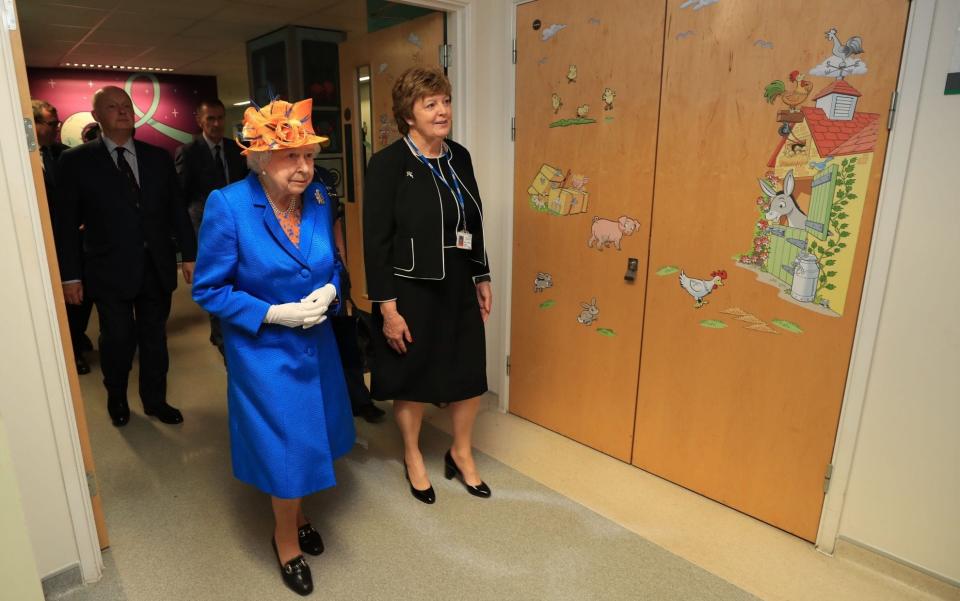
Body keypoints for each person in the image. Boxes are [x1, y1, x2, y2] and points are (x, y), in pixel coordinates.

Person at [191, 98, 355, 597]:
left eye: (308, 155)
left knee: (310, 435)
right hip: (263, 352)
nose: (304, 167)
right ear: (261, 159)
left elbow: (331, 266)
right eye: (291, 157)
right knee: (285, 445)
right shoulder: (229, 205)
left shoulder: (320, 199)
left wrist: (332, 289)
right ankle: (286, 539)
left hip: (315, 344)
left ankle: (299, 512)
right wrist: (269, 312)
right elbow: (209, 289)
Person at [363, 66, 493, 505]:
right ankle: (413, 455)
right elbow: (375, 242)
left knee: (469, 370)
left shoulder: (460, 157)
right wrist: (387, 308)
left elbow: (472, 222)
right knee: (412, 375)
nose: (442, 111)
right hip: (411, 288)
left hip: (458, 282)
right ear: (408, 114)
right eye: (430, 104)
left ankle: (460, 452)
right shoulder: (387, 165)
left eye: (445, 102)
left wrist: (481, 273)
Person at [54, 86, 196, 427]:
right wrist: (70, 276)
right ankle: (116, 397)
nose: (121, 111)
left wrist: (189, 255)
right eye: (112, 106)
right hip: (107, 269)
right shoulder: (75, 162)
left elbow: (177, 210)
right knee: (117, 339)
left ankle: (155, 400)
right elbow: (65, 224)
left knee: (154, 339)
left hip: (156, 266)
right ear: (97, 117)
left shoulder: (156, 157)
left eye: (126, 105)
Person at [175, 98, 248, 355]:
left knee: (238, 278)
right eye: (210, 119)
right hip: (205, 229)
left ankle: (224, 329)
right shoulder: (189, 151)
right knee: (217, 281)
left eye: (220, 118)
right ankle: (221, 337)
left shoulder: (235, 149)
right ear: (199, 121)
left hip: (239, 226)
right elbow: (181, 197)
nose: (216, 124)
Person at [315, 166, 385, 424]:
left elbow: (335, 224)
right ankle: (326, 408)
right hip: (303, 278)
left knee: (347, 340)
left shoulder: (323, 176)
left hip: (333, 270)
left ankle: (360, 400)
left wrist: (344, 268)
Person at [33, 99, 93, 375]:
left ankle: (76, 339)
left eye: (57, 123)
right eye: (51, 123)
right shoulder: (18, 160)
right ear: (32, 124)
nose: (56, 129)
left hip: (73, 242)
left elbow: (81, 194)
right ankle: (68, 349)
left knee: (81, 297)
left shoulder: (66, 155)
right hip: (38, 245)